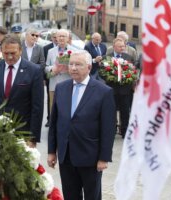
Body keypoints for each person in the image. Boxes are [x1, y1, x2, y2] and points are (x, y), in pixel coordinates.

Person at [47, 50, 116, 200]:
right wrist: (52, 151)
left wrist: (104, 157)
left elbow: (108, 128)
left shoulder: (103, 92)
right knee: (70, 195)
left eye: (78, 64)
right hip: (66, 155)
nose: (73, 68)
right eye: (71, 64)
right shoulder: (61, 88)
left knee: (92, 196)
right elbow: (54, 122)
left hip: (90, 156)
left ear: (89, 67)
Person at [0, 34, 44, 148]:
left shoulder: (34, 70)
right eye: (6, 53)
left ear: (20, 51)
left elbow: (37, 107)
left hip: (22, 132)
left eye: (13, 53)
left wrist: (33, 138)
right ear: (1, 51)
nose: (10, 57)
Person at [105, 38, 134, 138]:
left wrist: (128, 77)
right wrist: (110, 76)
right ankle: (111, 131)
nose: (122, 48)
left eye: (123, 46)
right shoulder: (108, 57)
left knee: (125, 112)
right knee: (111, 112)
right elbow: (102, 72)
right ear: (114, 47)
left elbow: (133, 72)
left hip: (125, 90)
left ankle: (125, 132)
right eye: (120, 46)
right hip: (111, 90)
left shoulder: (128, 57)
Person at [45, 29, 78, 111]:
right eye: (59, 36)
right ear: (56, 38)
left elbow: (78, 66)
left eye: (64, 36)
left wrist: (69, 68)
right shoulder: (50, 51)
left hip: (68, 83)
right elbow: (46, 67)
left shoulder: (75, 51)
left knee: (67, 108)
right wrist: (53, 68)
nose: (61, 38)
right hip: (54, 84)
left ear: (68, 38)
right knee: (53, 108)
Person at [41, 29, 59, 127]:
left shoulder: (65, 49)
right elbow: (44, 64)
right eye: (54, 37)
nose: (56, 39)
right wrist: (44, 78)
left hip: (61, 77)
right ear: (52, 38)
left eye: (58, 37)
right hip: (50, 77)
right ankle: (49, 119)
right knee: (50, 99)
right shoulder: (46, 48)